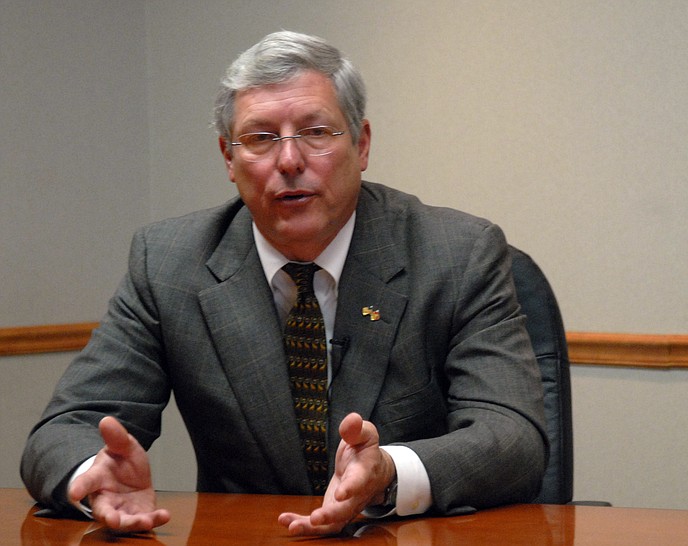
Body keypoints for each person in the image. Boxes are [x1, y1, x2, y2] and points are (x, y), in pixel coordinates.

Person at [20, 30, 547, 536]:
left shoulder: (456, 254)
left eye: (317, 133)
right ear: (229, 158)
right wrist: (90, 472)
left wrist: (389, 471)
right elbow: (65, 428)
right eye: (260, 138)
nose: (290, 160)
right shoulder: (168, 265)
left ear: (361, 146)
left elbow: (513, 438)